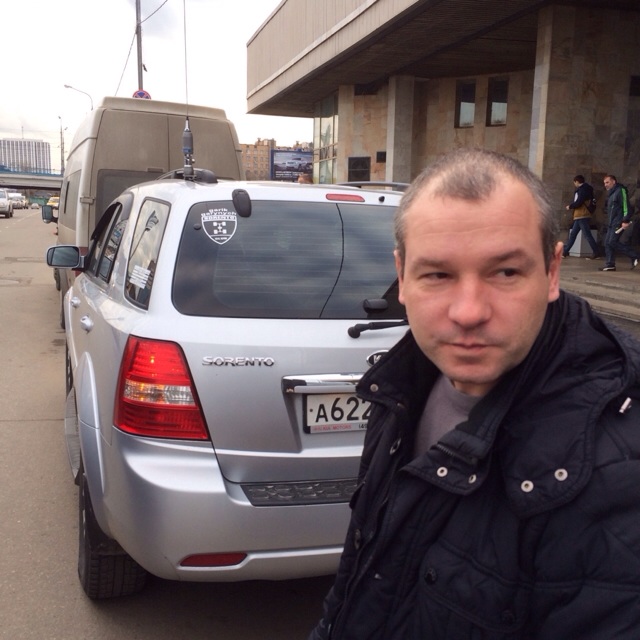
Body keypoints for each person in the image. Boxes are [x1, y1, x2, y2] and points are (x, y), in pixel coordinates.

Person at [309, 148, 640, 639]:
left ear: (552, 272)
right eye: (437, 275)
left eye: (505, 273)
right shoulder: (403, 385)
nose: (468, 312)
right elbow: (361, 576)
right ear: (402, 277)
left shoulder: (618, 474)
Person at [599, 174, 639, 271]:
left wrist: (625, 220)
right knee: (608, 243)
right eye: (604, 183)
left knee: (612, 242)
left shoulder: (620, 190)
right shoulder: (611, 193)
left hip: (618, 222)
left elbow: (626, 206)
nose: (605, 185)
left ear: (613, 181)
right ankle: (610, 264)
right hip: (611, 222)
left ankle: (635, 255)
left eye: (607, 182)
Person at [562, 174, 599, 259]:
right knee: (573, 234)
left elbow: (579, 201)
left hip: (582, 214)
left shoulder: (582, 190)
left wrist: (570, 206)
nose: (574, 184)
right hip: (580, 215)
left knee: (587, 235)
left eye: (574, 182)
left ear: (577, 181)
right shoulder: (587, 189)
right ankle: (565, 252)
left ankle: (596, 252)